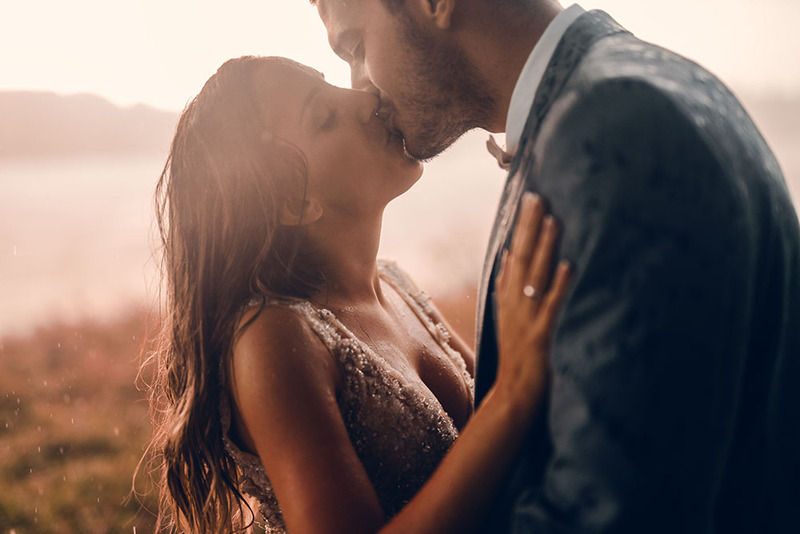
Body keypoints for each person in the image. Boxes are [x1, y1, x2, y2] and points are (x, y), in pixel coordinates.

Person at [313, 0, 800, 532]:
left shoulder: (613, 133)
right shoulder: (629, 90)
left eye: (357, 47)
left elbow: (607, 516)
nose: (360, 86)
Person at [144, 55, 572, 533]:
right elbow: (508, 401)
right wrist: (512, 394)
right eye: (325, 118)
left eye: (333, 87)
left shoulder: (395, 284)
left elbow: (511, 433)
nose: (366, 97)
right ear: (293, 201)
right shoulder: (274, 338)